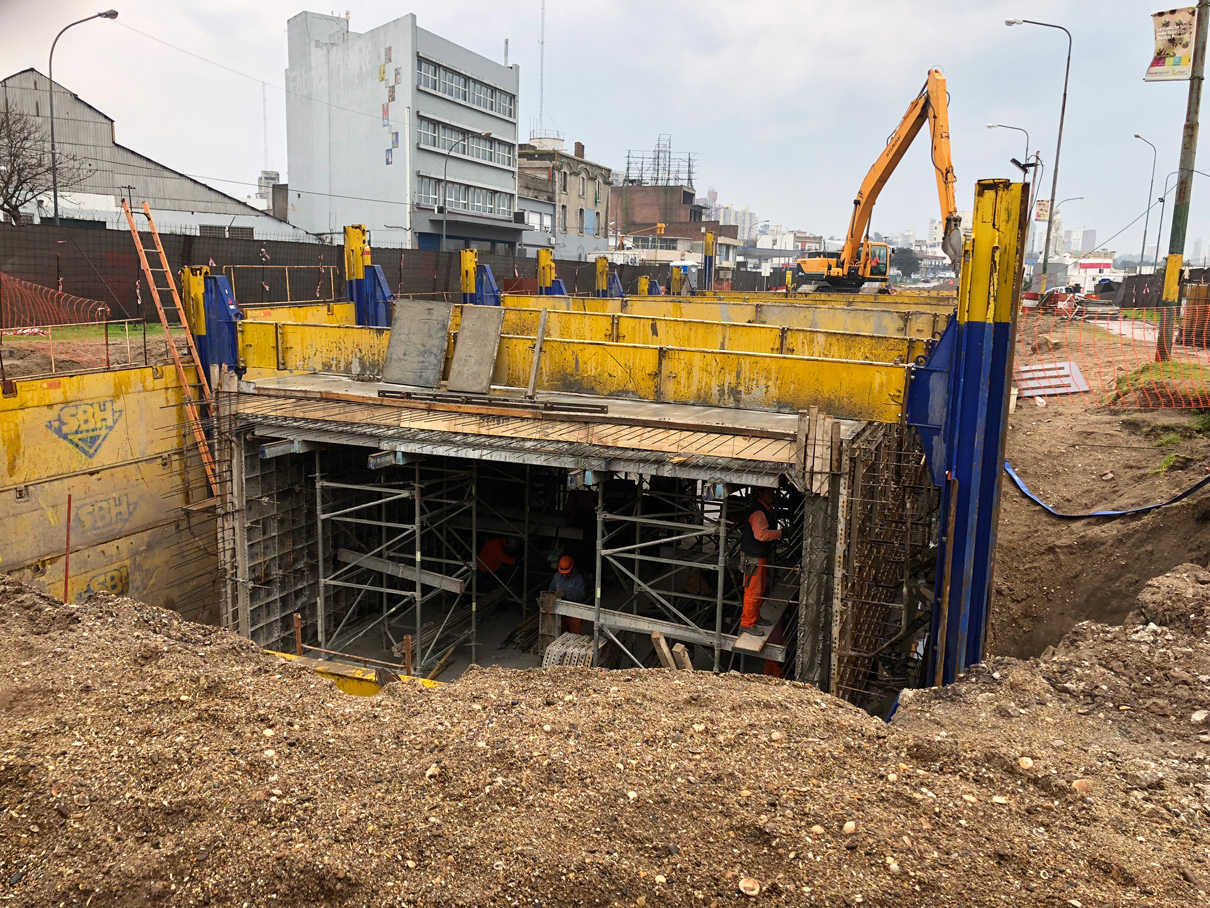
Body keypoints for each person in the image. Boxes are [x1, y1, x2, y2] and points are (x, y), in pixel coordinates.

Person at [739, 487, 782, 631]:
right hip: (753, 558)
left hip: (758, 556)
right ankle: (747, 623)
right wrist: (780, 533)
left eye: (773, 492)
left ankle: (755, 617)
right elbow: (761, 535)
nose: (772, 495)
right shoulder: (758, 512)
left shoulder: (765, 510)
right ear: (760, 493)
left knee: (760, 589)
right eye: (768, 492)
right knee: (753, 591)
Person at [549, 555, 588, 633]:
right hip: (560, 614)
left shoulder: (578, 579)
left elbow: (580, 596)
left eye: (567, 573)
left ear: (572, 568)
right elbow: (550, 591)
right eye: (563, 573)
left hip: (574, 615)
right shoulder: (557, 577)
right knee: (560, 638)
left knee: (575, 638)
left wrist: (566, 593)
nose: (565, 575)